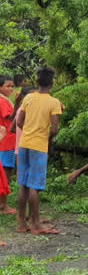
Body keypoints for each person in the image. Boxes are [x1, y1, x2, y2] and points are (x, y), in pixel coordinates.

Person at [16, 66, 62, 235]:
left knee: (23, 184)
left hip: (24, 143)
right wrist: (47, 137)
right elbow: (55, 128)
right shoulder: (54, 102)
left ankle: (21, 223)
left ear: (37, 82)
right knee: (35, 185)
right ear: (52, 83)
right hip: (39, 146)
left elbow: (19, 122)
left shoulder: (28, 97)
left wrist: (29, 130)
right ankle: (36, 224)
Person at [0, 75, 16, 214]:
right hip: (6, 142)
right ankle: (3, 205)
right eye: (8, 86)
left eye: (12, 86)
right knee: (5, 173)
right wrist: (18, 105)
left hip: (6, 141)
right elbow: (10, 118)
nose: (11, 88)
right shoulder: (3, 102)